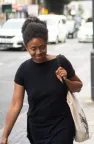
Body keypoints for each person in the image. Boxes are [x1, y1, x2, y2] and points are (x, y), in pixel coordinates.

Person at [0, 16, 83, 144]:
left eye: (42, 47)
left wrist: (66, 80)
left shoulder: (60, 62)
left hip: (62, 125)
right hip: (37, 129)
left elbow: (78, 86)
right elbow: (16, 105)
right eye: (33, 48)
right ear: (26, 47)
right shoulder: (24, 70)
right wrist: (5, 135)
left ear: (46, 43)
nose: (39, 52)